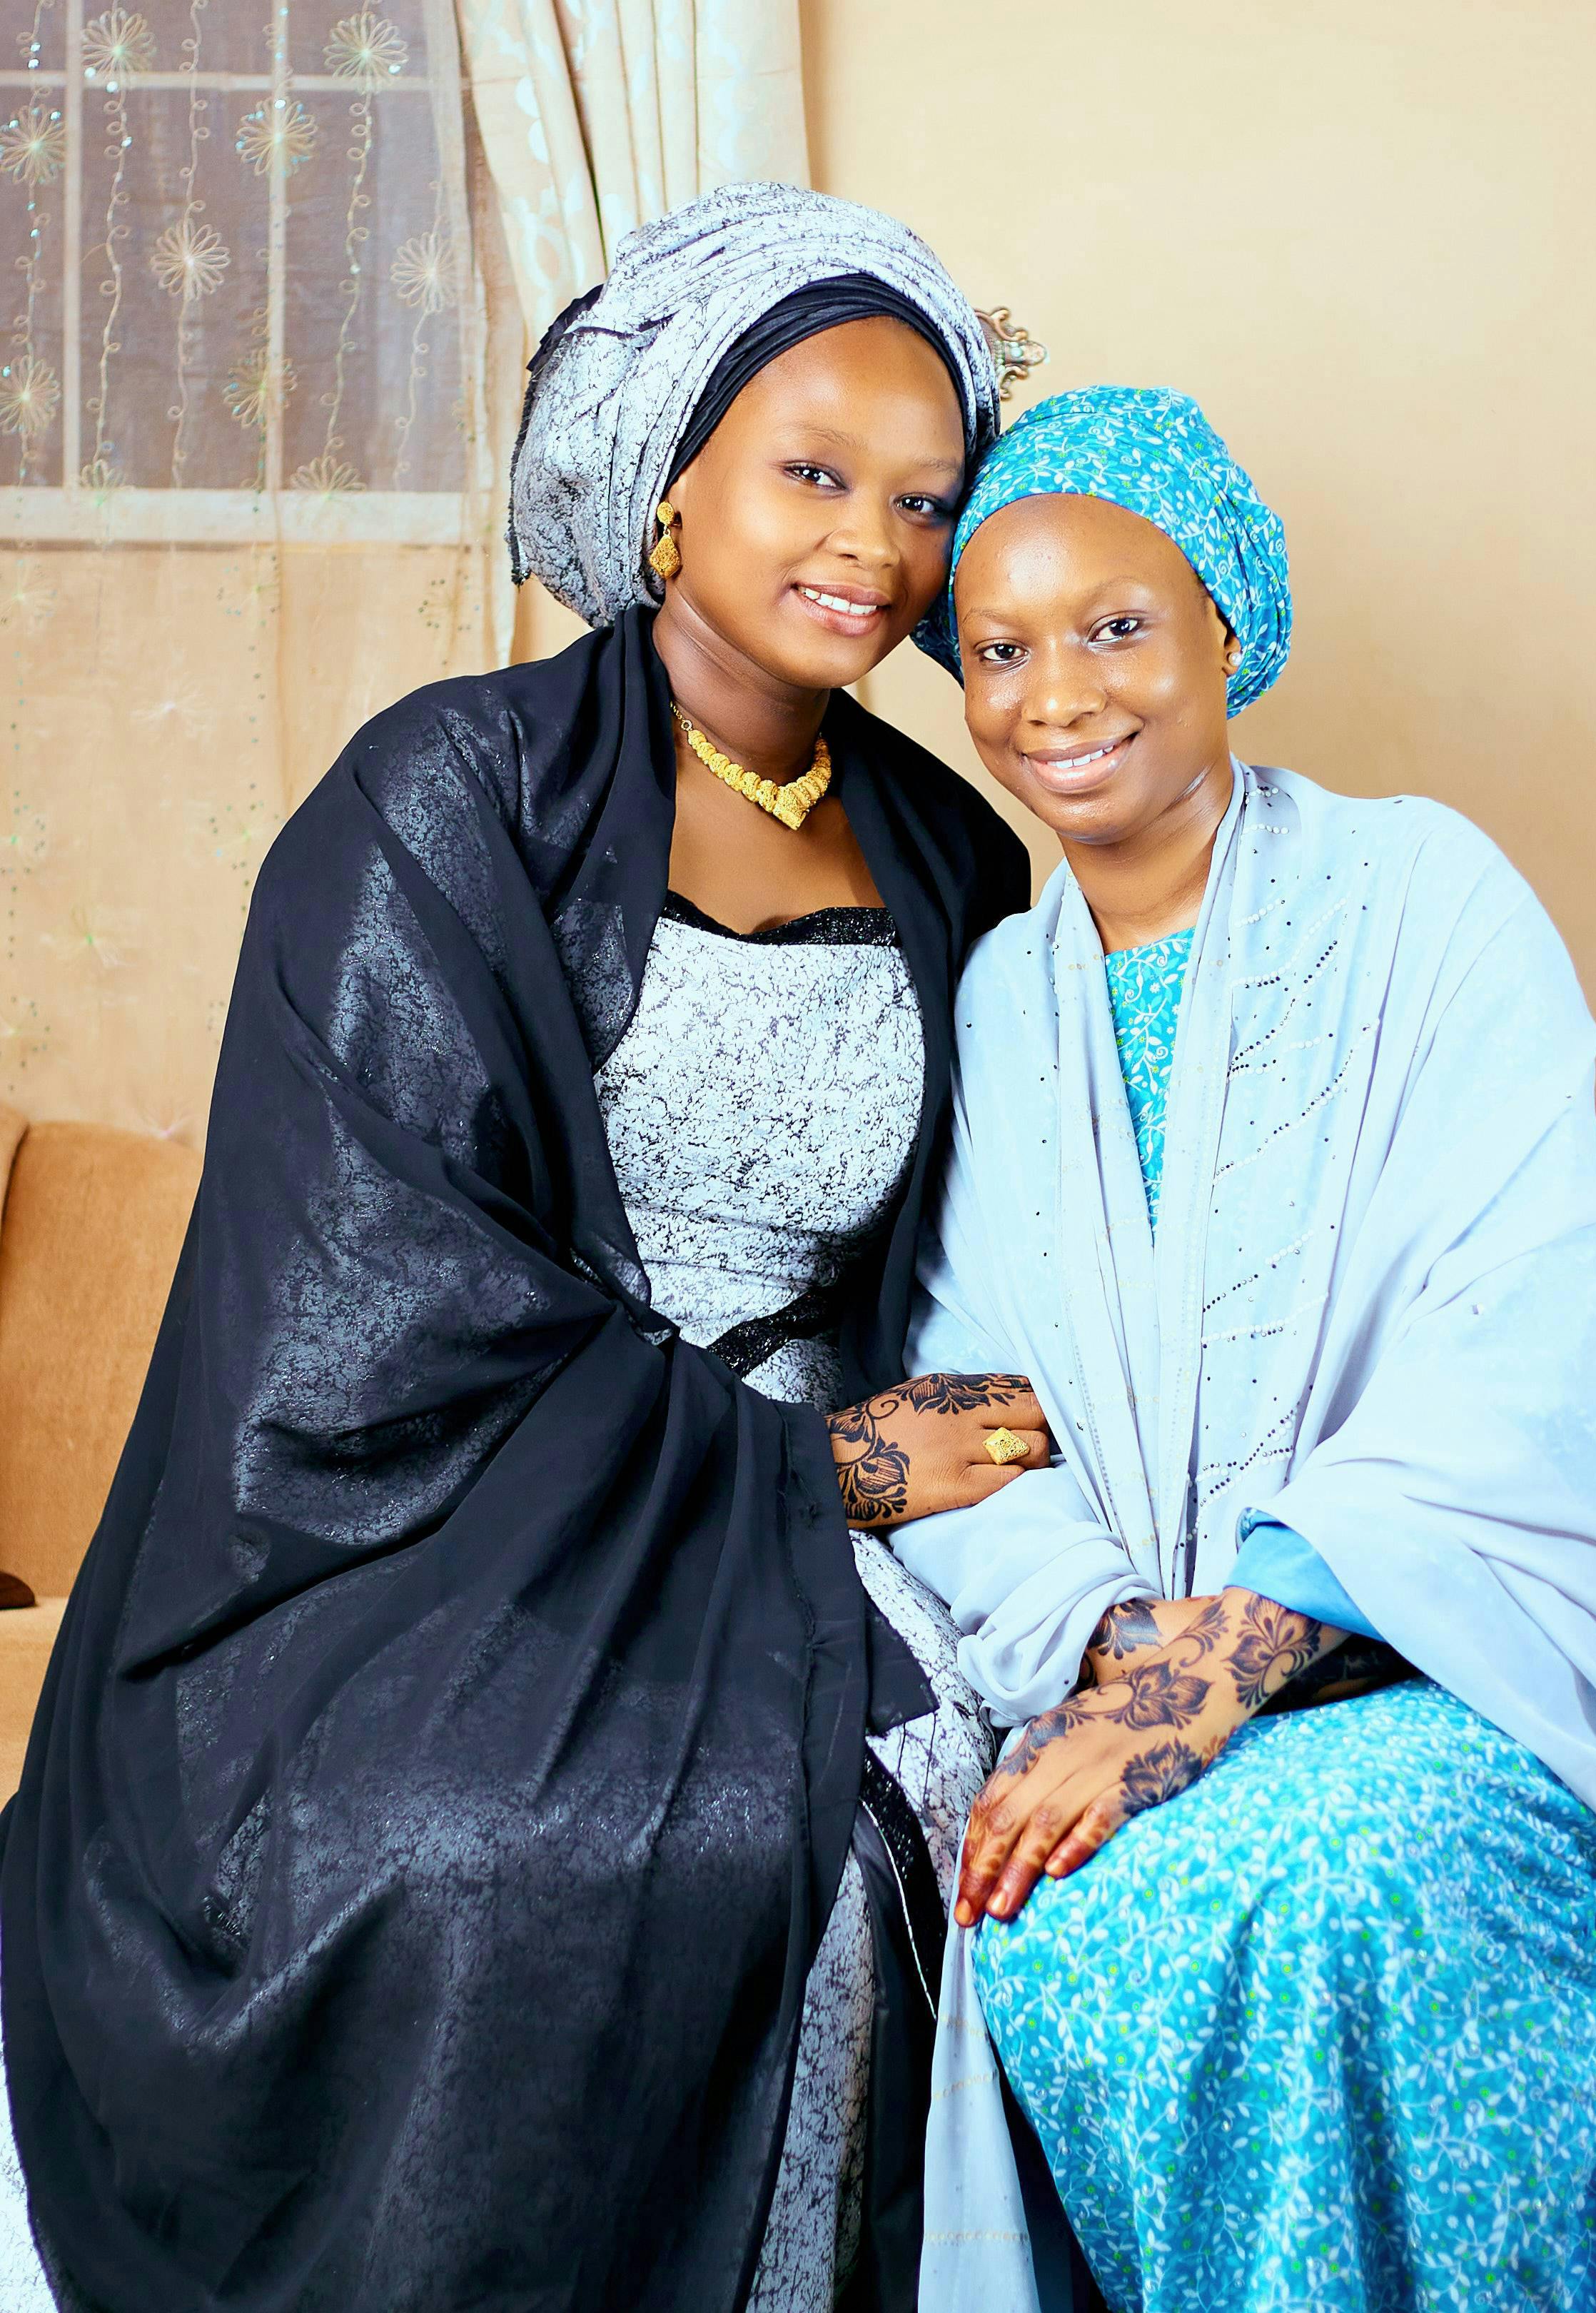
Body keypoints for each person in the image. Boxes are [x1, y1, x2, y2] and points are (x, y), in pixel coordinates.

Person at [0, 186, 1054, 2313]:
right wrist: (817, 1467)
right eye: (813, 473)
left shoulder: (956, 850)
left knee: (886, 1810)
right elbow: (364, 1295)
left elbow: (1024, 1222)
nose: (872, 543)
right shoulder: (443, 796)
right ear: (666, 483)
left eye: (924, 500)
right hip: (456, 1520)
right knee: (457, 1853)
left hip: (835, 1527)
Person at [892, 386, 1596, 2311]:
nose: (1055, 695)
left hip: (1457, 1659)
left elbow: (1518, 1353)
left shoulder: (1426, 898)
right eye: (999, 650)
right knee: (1060, 1925)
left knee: (1333, 1886)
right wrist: (1120, 1652)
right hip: (1132, 1666)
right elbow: (969, 1392)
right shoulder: (996, 1000)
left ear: (1226, 626)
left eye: (1115, 627)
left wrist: (1225, 1663)